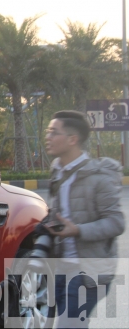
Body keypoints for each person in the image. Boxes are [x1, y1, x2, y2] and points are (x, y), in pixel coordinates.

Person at [43, 110, 124, 329]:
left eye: (53, 132)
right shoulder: (57, 171)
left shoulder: (99, 178)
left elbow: (116, 222)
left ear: (72, 139)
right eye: (48, 131)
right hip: (61, 268)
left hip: (89, 272)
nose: (47, 137)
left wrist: (77, 230)